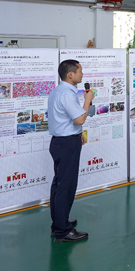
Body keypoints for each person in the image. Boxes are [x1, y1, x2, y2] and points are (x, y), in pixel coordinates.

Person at [48, 60, 94, 242]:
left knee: (59, 185)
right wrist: (88, 100)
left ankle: (59, 223)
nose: (82, 74)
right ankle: (62, 231)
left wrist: (77, 134)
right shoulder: (67, 94)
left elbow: (65, 120)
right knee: (65, 187)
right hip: (67, 144)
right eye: (80, 71)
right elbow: (80, 119)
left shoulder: (58, 91)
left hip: (61, 141)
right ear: (70, 74)